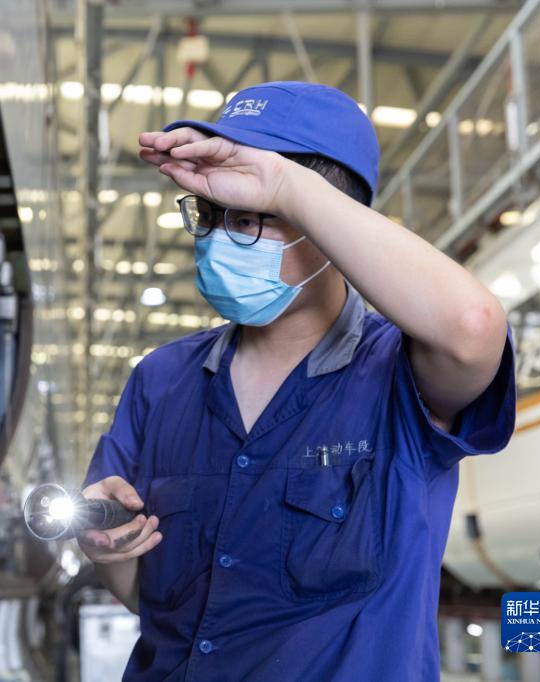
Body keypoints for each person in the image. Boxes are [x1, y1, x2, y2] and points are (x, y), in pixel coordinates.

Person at [76, 81, 516, 681]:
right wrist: (105, 547)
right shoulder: (161, 380)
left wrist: (284, 184)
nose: (220, 239)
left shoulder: (397, 374)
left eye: (251, 218)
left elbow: (474, 325)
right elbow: (148, 599)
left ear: (330, 225)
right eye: (211, 216)